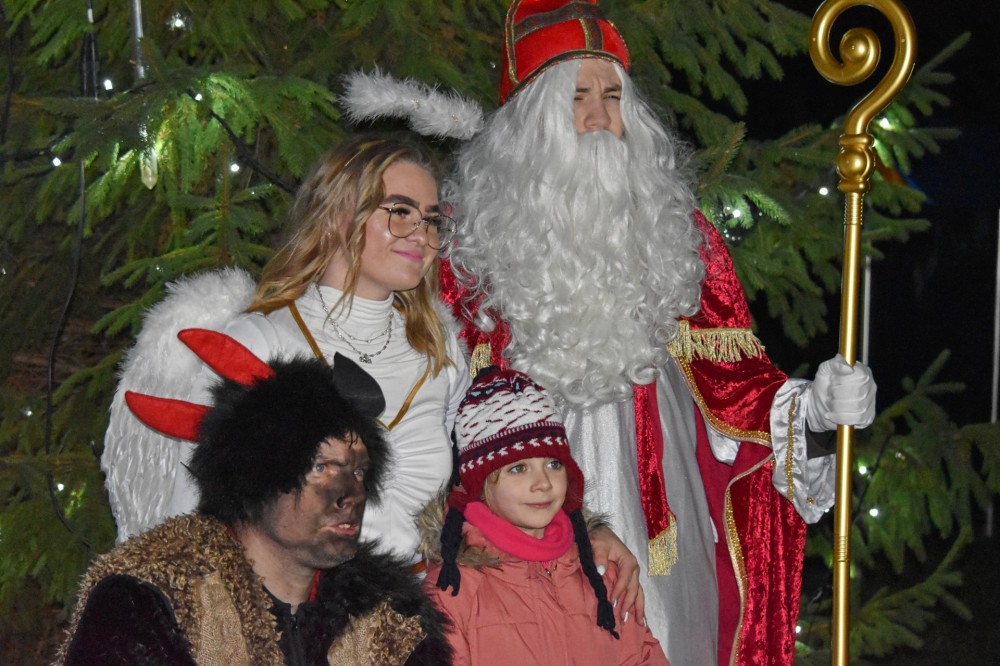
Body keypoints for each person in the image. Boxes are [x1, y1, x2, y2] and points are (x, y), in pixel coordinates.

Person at [442, 1, 878, 664]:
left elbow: (738, 389)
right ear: (528, 123)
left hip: (662, 532)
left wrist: (815, 412)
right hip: (509, 541)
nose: (599, 118)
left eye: (613, 96)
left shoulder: (676, 234)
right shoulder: (470, 245)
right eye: (577, 97)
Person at [102, 133, 642, 604]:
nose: (422, 235)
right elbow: (195, 521)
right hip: (298, 625)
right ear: (339, 216)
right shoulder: (261, 342)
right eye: (400, 212)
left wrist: (584, 528)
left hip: (422, 622)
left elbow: (491, 482)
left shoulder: (439, 354)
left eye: (431, 220)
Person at [57, 328, 451, 665]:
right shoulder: (151, 599)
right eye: (320, 468)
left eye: (359, 471)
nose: (351, 493)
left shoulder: (390, 622)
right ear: (255, 476)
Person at [420, 367, 669, 665]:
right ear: (480, 485)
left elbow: (641, 655)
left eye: (553, 464)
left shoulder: (599, 570)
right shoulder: (452, 589)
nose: (544, 483)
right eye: (518, 468)